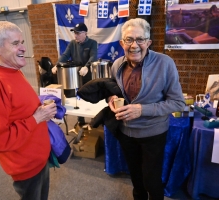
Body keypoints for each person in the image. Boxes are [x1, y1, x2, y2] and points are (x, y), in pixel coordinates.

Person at [0, 21, 57, 199]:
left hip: (39, 158)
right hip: (25, 167)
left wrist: (40, 110)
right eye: (15, 43)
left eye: (22, 42)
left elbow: (20, 110)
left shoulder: (15, 70)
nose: (23, 48)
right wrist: (36, 118)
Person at [107, 18, 185, 200]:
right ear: (121, 43)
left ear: (148, 42)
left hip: (153, 134)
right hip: (126, 133)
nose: (134, 45)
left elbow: (178, 103)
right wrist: (110, 98)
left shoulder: (165, 63)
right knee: (136, 179)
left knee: (151, 181)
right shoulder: (117, 65)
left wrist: (142, 110)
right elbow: (111, 90)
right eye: (129, 40)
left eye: (140, 39)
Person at [52, 22, 97, 126]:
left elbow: (93, 56)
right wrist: (57, 65)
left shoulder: (92, 43)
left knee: (90, 98)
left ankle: (94, 122)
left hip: (88, 75)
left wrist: (87, 66)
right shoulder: (72, 43)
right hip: (76, 76)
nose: (75, 35)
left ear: (85, 33)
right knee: (78, 98)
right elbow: (65, 55)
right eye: (74, 33)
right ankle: (81, 121)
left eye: (78, 33)